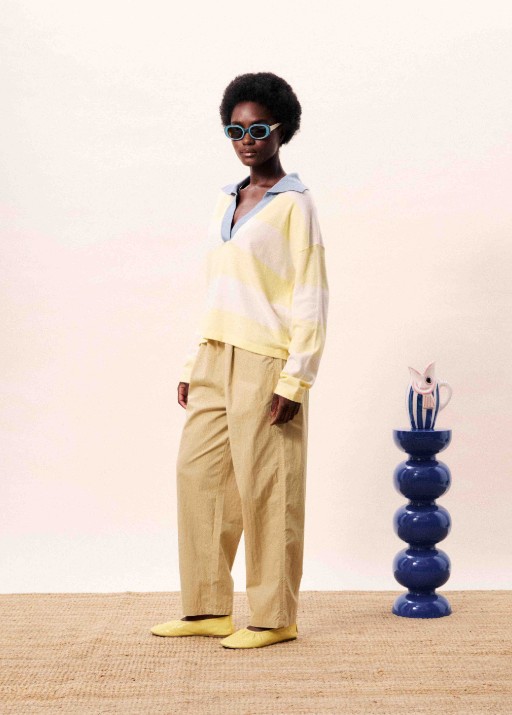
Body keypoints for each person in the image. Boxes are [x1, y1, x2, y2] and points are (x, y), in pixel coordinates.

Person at [151, 72, 329, 649]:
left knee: (268, 488)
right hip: (213, 353)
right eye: (235, 130)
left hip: (265, 359)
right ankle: (206, 608)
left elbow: (310, 294)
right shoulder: (227, 200)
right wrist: (192, 361)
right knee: (199, 477)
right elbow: (218, 289)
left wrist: (296, 379)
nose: (246, 140)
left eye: (257, 128)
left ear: (282, 129)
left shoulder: (295, 204)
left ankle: (275, 618)